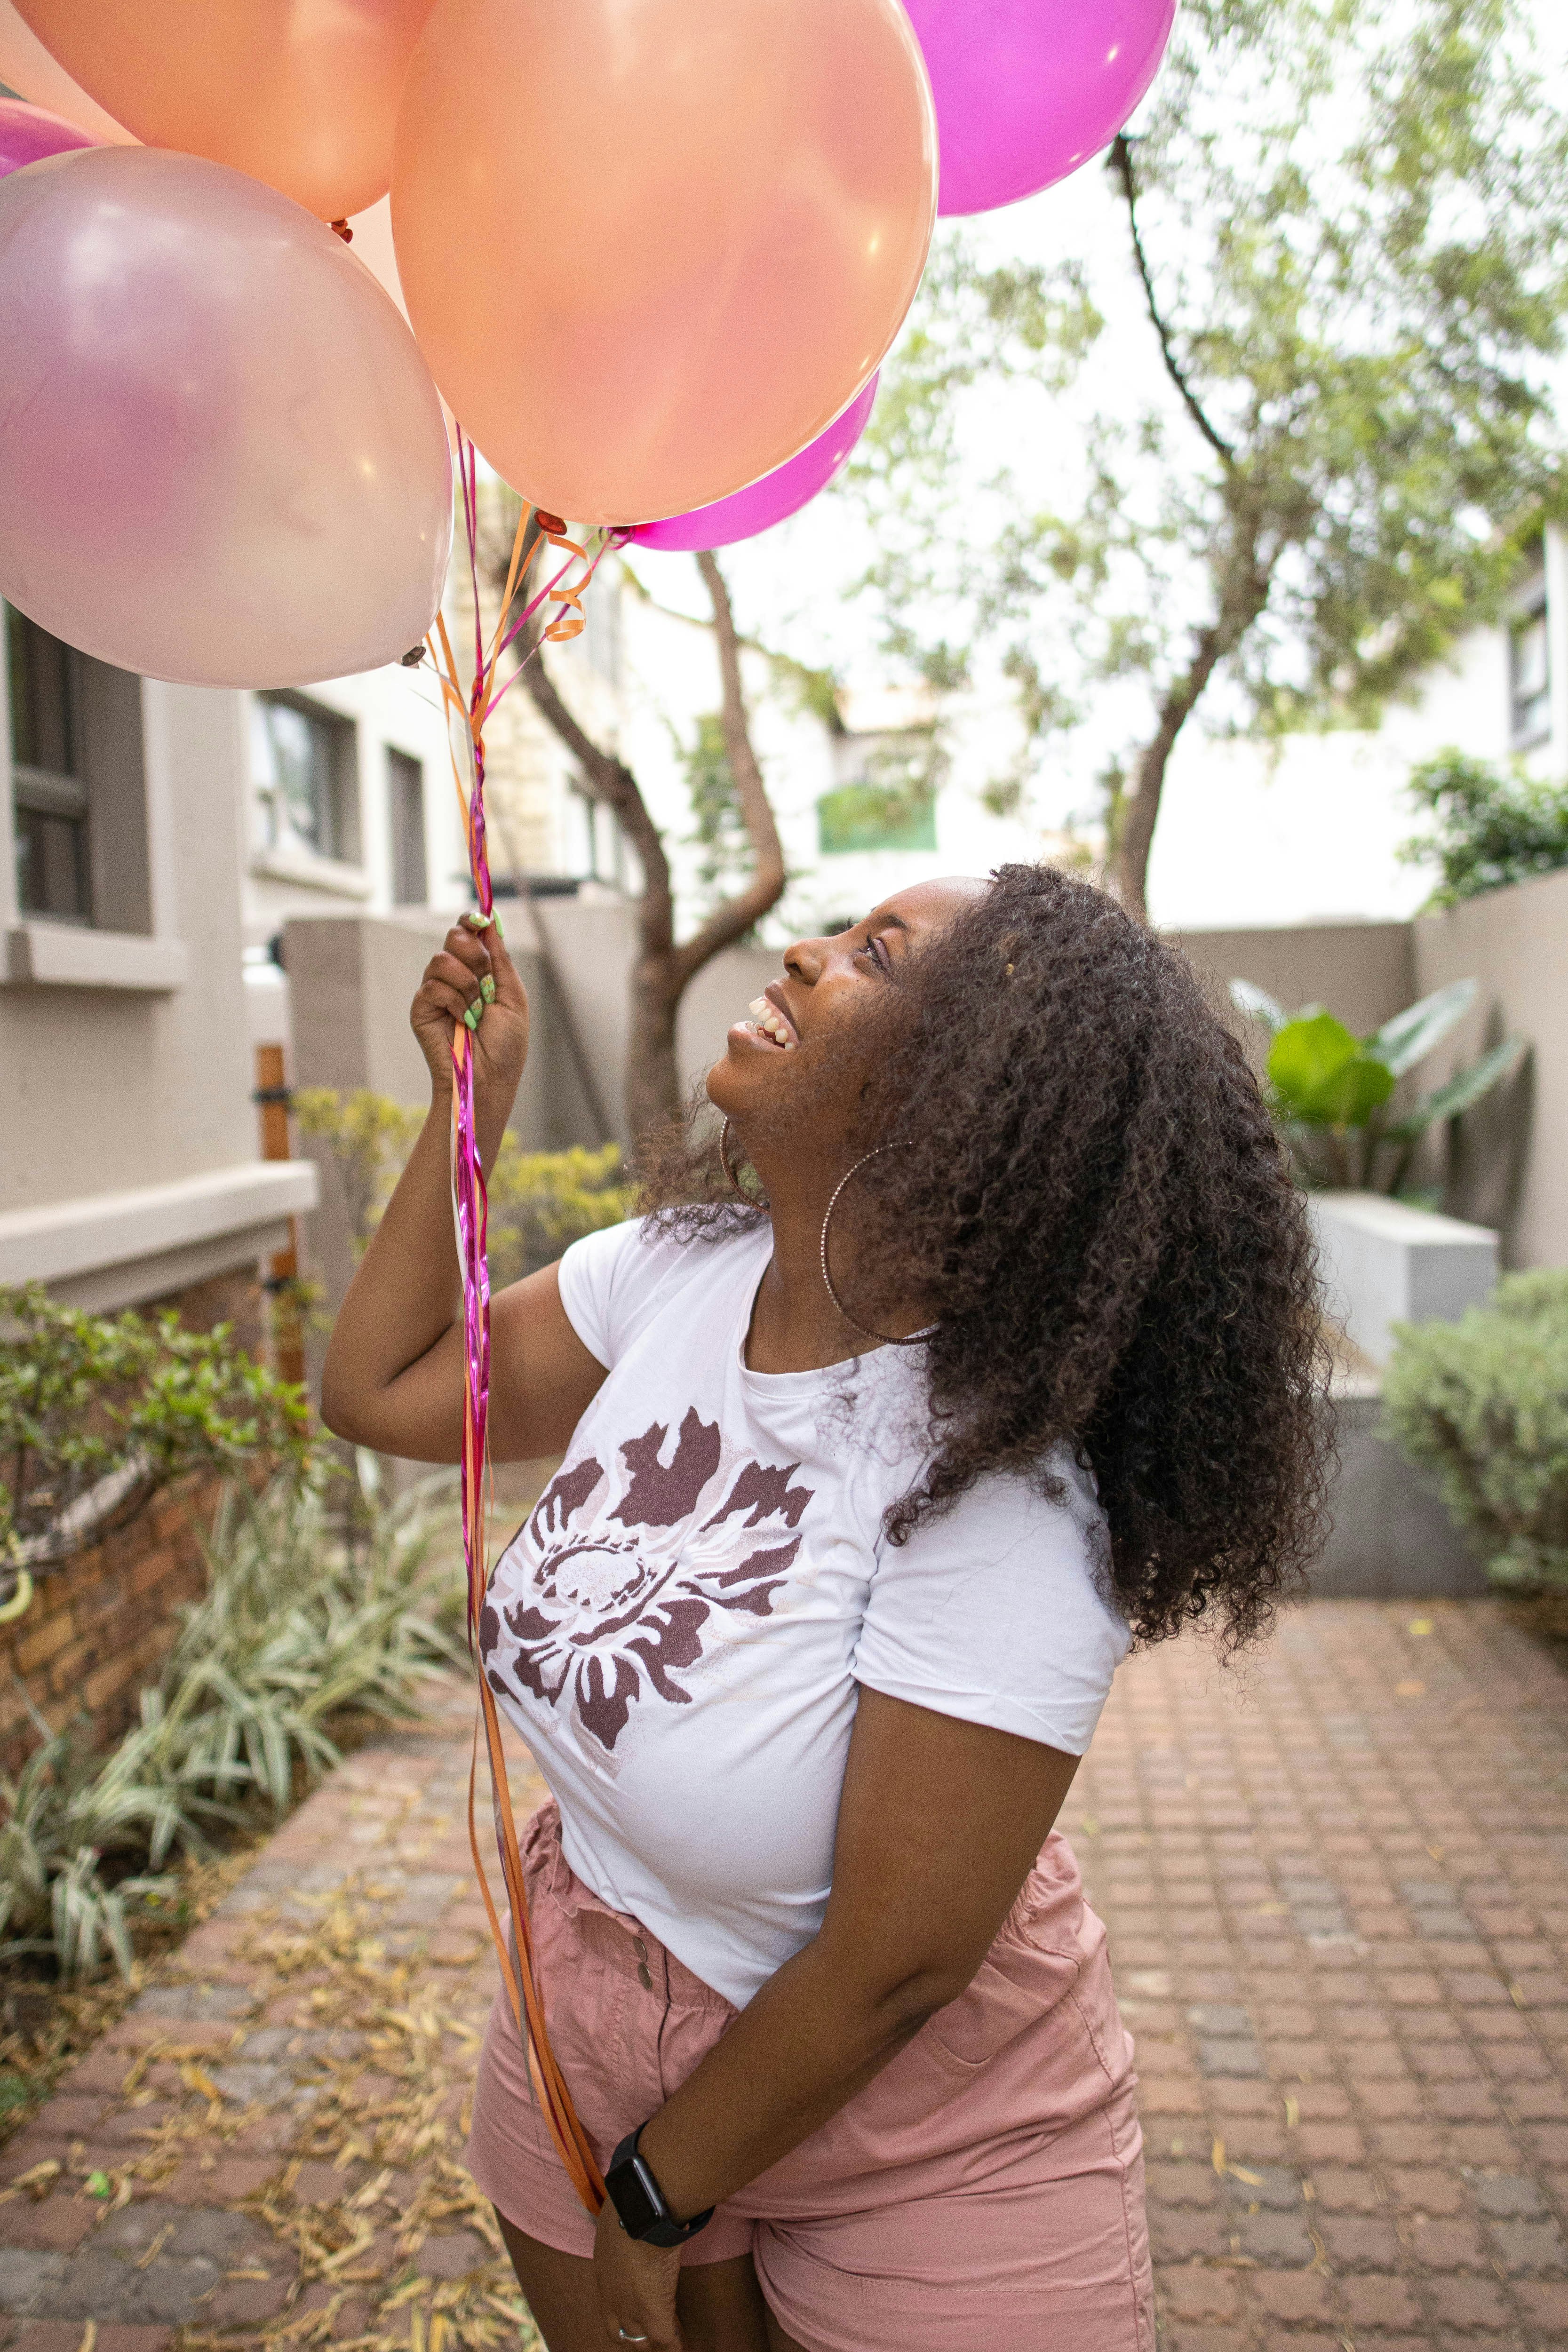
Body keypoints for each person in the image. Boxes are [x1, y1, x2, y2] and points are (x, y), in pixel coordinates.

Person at [323, 863, 1329, 2352]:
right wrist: (469, 1104)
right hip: (589, 2013)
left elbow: (896, 1964)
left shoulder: (996, 1473)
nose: (800, 950)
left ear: (965, 1098)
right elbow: (382, 1390)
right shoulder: (669, 1278)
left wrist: (657, 2193)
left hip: (915, 2121)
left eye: (874, 953)